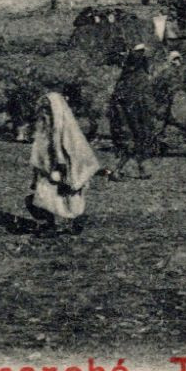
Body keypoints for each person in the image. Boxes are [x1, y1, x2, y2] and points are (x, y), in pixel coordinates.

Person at [27, 92, 100, 235]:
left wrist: (63, 166)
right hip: (48, 171)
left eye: (48, 110)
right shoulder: (43, 130)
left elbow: (76, 152)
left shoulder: (66, 131)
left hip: (64, 172)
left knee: (64, 199)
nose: (45, 114)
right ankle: (53, 223)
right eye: (43, 110)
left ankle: (66, 223)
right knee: (44, 198)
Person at [108, 46, 160, 180]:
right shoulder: (137, 79)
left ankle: (141, 169)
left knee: (139, 141)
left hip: (133, 115)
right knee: (133, 142)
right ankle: (117, 170)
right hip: (132, 116)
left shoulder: (127, 77)